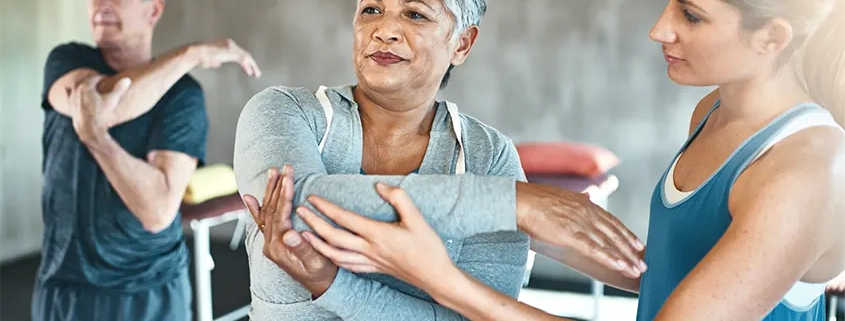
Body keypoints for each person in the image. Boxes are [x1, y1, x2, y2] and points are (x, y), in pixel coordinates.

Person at [283, 0, 845, 320]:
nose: (660, 27)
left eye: (692, 15)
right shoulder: (710, 110)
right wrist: (531, 219)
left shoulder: (806, 167)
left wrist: (437, 277)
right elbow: (679, 271)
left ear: (772, 37)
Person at [233, 0, 646, 320]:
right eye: (371, 10)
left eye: (415, 14)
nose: (384, 31)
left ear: (462, 43)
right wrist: (510, 204)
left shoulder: (488, 156)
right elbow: (297, 207)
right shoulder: (282, 110)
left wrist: (332, 284)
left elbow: (479, 314)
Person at [34, 0, 261, 320]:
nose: (101, 5)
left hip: (148, 294)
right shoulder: (67, 60)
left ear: (153, 10)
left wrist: (96, 139)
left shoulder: (182, 95)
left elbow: (156, 211)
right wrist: (192, 55)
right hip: (65, 288)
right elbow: (102, 105)